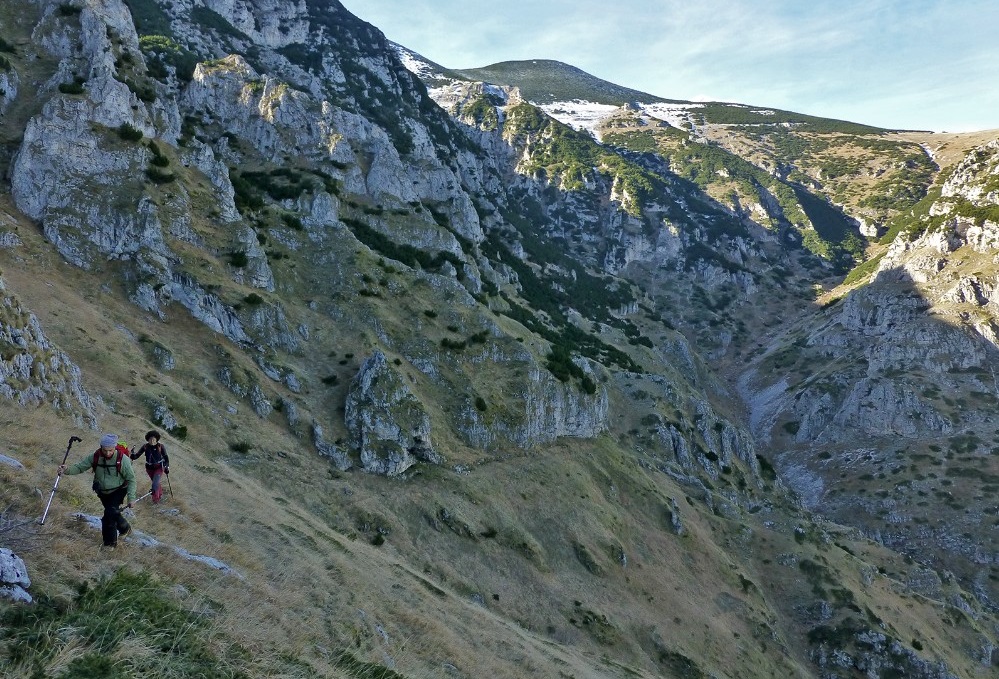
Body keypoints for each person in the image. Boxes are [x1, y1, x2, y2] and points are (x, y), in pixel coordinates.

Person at [58, 433, 136, 547]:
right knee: (113, 512)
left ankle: (109, 546)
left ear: (114, 447)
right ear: (101, 447)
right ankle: (125, 528)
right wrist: (67, 470)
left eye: (110, 450)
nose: (107, 453)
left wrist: (131, 497)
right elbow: (80, 467)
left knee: (108, 516)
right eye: (105, 450)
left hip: (118, 490)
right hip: (102, 492)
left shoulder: (123, 460)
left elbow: (131, 479)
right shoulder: (95, 456)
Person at [131, 430, 170, 504]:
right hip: (149, 468)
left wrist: (166, 467)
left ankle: (155, 500)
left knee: (155, 483)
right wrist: (132, 454)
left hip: (159, 467)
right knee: (156, 482)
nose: (152, 441)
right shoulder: (145, 446)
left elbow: (166, 458)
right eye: (150, 439)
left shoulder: (160, 446)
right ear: (147, 439)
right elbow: (136, 456)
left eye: (154, 439)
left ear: (156, 440)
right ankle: (160, 494)